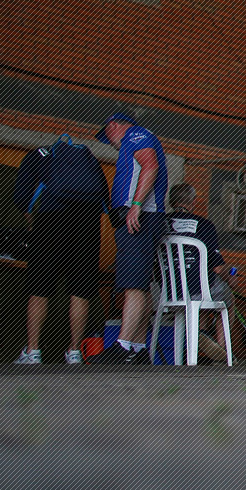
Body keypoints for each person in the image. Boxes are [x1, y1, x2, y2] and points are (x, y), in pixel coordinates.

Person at [12, 136, 109, 365]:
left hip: (51, 220)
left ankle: (33, 351)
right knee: (81, 289)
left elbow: (21, 197)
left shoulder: (38, 155)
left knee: (39, 286)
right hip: (87, 224)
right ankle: (74, 352)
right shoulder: (89, 159)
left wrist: (31, 219)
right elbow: (105, 199)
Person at [97, 112, 168, 363]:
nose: (110, 143)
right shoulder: (132, 141)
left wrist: (136, 205)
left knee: (133, 283)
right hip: (141, 218)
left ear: (113, 125)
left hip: (139, 217)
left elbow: (150, 165)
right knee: (141, 283)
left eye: (107, 135)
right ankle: (137, 348)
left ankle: (123, 345)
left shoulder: (136, 135)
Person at [163, 183, 232, 348]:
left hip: (165, 292)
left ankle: (201, 332)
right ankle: (221, 349)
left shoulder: (159, 223)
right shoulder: (204, 225)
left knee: (205, 289)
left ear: (171, 201)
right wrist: (231, 277)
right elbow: (218, 268)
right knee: (227, 297)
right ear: (193, 201)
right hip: (196, 291)